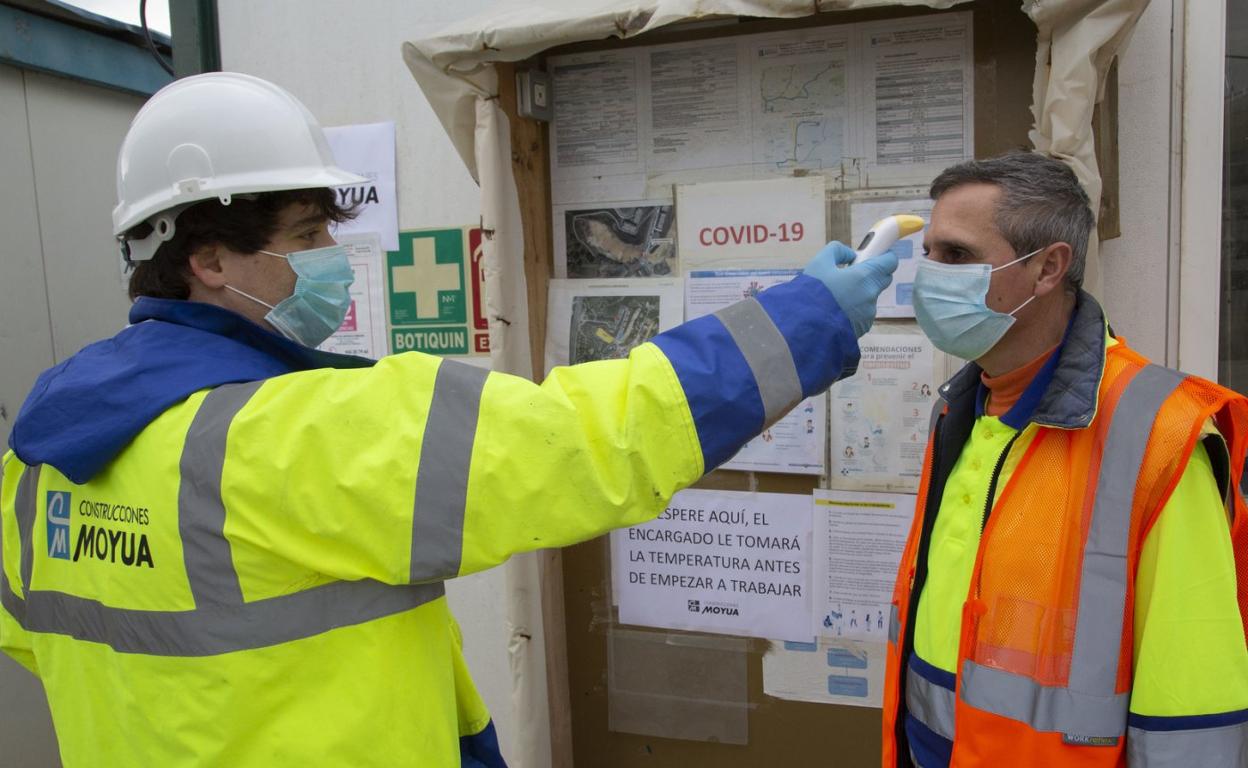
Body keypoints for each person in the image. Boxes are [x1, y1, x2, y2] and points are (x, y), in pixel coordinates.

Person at [0, 73, 898, 767]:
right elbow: (588, 438)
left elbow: (42, 644)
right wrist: (803, 321)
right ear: (207, 259)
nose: (334, 258)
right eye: (308, 235)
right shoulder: (296, 433)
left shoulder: (43, 450)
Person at [881, 151, 1248, 767]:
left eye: (958, 256)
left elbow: (1193, 695)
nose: (931, 277)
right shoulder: (964, 406)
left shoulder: (1158, 430)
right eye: (931, 256)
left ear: (1049, 267)